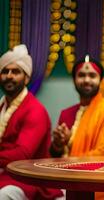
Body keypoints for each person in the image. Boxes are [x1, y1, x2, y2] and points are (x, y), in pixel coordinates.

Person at [50, 55, 104, 200]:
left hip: (96, 185)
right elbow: (55, 156)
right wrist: (57, 144)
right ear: (74, 79)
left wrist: (70, 142)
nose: (86, 80)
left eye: (92, 75)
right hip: (64, 180)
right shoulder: (67, 113)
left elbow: (103, 157)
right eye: (81, 75)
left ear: (100, 81)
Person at [0, 44, 62, 200]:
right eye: (5, 71)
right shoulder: (2, 105)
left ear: (26, 78)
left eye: (15, 72)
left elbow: (22, 154)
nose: (9, 76)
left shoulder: (35, 110)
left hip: (27, 179)